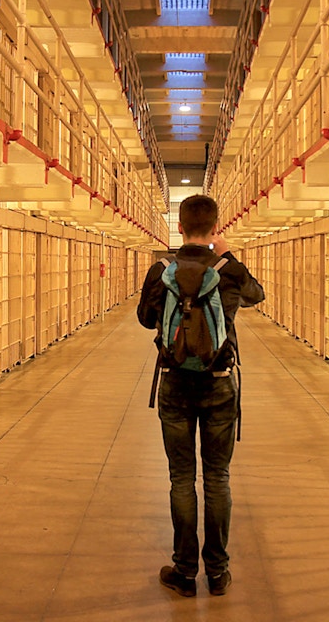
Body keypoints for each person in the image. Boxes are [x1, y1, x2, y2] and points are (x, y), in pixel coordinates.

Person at [137, 194, 265, 597]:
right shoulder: (226, 270)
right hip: (219, 383)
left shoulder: (161, 270)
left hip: (175, 383)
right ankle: (218, 571)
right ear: (214, 228)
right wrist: (228, 254)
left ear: (178, 227)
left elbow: (145, 320)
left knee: (180, 478)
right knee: (217, 477)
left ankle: (185, 570)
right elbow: (257, 294)